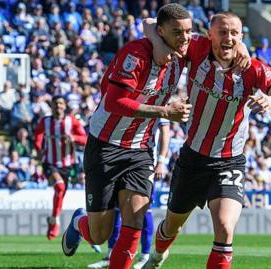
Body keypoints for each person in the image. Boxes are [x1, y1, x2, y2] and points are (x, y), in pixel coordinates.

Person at [142, 11, 271, 269]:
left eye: (235, 33)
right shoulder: (197, 47)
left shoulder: (254, 69)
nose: (229, 38)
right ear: (209, 34)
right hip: (193, 158)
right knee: (170, 227)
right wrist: (158, 44)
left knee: (224, 228)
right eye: (222, 32)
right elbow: (148, 24)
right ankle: (156, 256)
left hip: (229, 162)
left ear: (242, 37)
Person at [60, 5, 194, 269]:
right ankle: (78, 221)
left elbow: (223, 40)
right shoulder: (135, 54)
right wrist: (165, 111)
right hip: (105, 145)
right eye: (177, 32)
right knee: (100, 233)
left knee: (134, 219)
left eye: (189, 31)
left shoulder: (185, 50)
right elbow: (115, 102)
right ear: (161, 31)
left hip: (140, 149)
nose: (185, 37)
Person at [87, 120, 170, 269]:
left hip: (144, 160)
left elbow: (165, 129)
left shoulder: (161, 98)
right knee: (112, 218)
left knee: (140, 213)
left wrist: (162, 161)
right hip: (112, 155)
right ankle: (111, 254)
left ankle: (144, 255)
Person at [34, 95, 87, 240]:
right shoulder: (45, 121)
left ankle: (52, 219)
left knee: (61, 193)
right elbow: (37, 134)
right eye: (55, 103)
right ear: (51, 106)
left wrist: (75, 138)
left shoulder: (72, 121)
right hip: (49, 162)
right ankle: (55, 223)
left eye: (61, 103)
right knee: (59, 187)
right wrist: (39, 149)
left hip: (67, 164)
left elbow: (85, 139)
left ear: (65, 106)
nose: (58, 106)